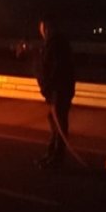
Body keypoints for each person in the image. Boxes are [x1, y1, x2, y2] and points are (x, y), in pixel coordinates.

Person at [24, 15, 75, 167]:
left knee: (59, 122)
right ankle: (52, 153)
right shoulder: (53, 43)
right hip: (59, 89)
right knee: (53, 119)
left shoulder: (55, 44)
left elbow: (51, 67)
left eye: (42, 28)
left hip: (59, 90)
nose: (42, 32)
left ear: (47, 27)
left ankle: (57, 157)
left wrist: (49, 87)